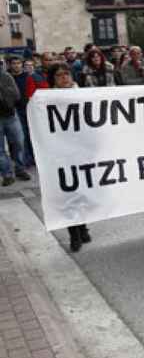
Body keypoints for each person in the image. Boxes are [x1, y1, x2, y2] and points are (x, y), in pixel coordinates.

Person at [46, 62, 91, 252]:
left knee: (83, 191)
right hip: (62, 153)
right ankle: (74, 233)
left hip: (82, 150)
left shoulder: (83, 94)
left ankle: (83, 226)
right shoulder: (46, 100)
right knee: (68, 192)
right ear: (53, 79)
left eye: (67, 74)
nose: (64, 78)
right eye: (59, 75)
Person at [0, 61, 30, 186]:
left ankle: (20, 168)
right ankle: (7, 174)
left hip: (10, 115)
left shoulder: (6, 76)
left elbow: (16, 95)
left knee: (19, 142)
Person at [7, 57, 36, 168]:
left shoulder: (28, 77)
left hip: (28, 108)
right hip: (15, 110)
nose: (16, 65)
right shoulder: (8, 77)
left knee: (31, 134)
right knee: (20, 137)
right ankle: (25, 159)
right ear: (10, 65)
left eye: (18, 63)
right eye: (14, 63)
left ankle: (33, 157)